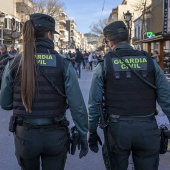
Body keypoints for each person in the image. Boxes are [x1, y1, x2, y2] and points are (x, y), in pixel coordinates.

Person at [0, 13, 88, 170]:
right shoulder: (63, 63)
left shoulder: (14, 63)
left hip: (25, 137)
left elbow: (5, 104)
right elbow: (78, 106)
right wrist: (83, 134)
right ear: (49, 34)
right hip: (55, 136)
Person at [88, 20, 170, 170]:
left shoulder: (104, 65)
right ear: (129, 39)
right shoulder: (150, 62)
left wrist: (92, 131)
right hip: (147, 129)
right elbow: (167, 99)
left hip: (117, 131)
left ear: (110, 42)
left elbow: (94, 104)